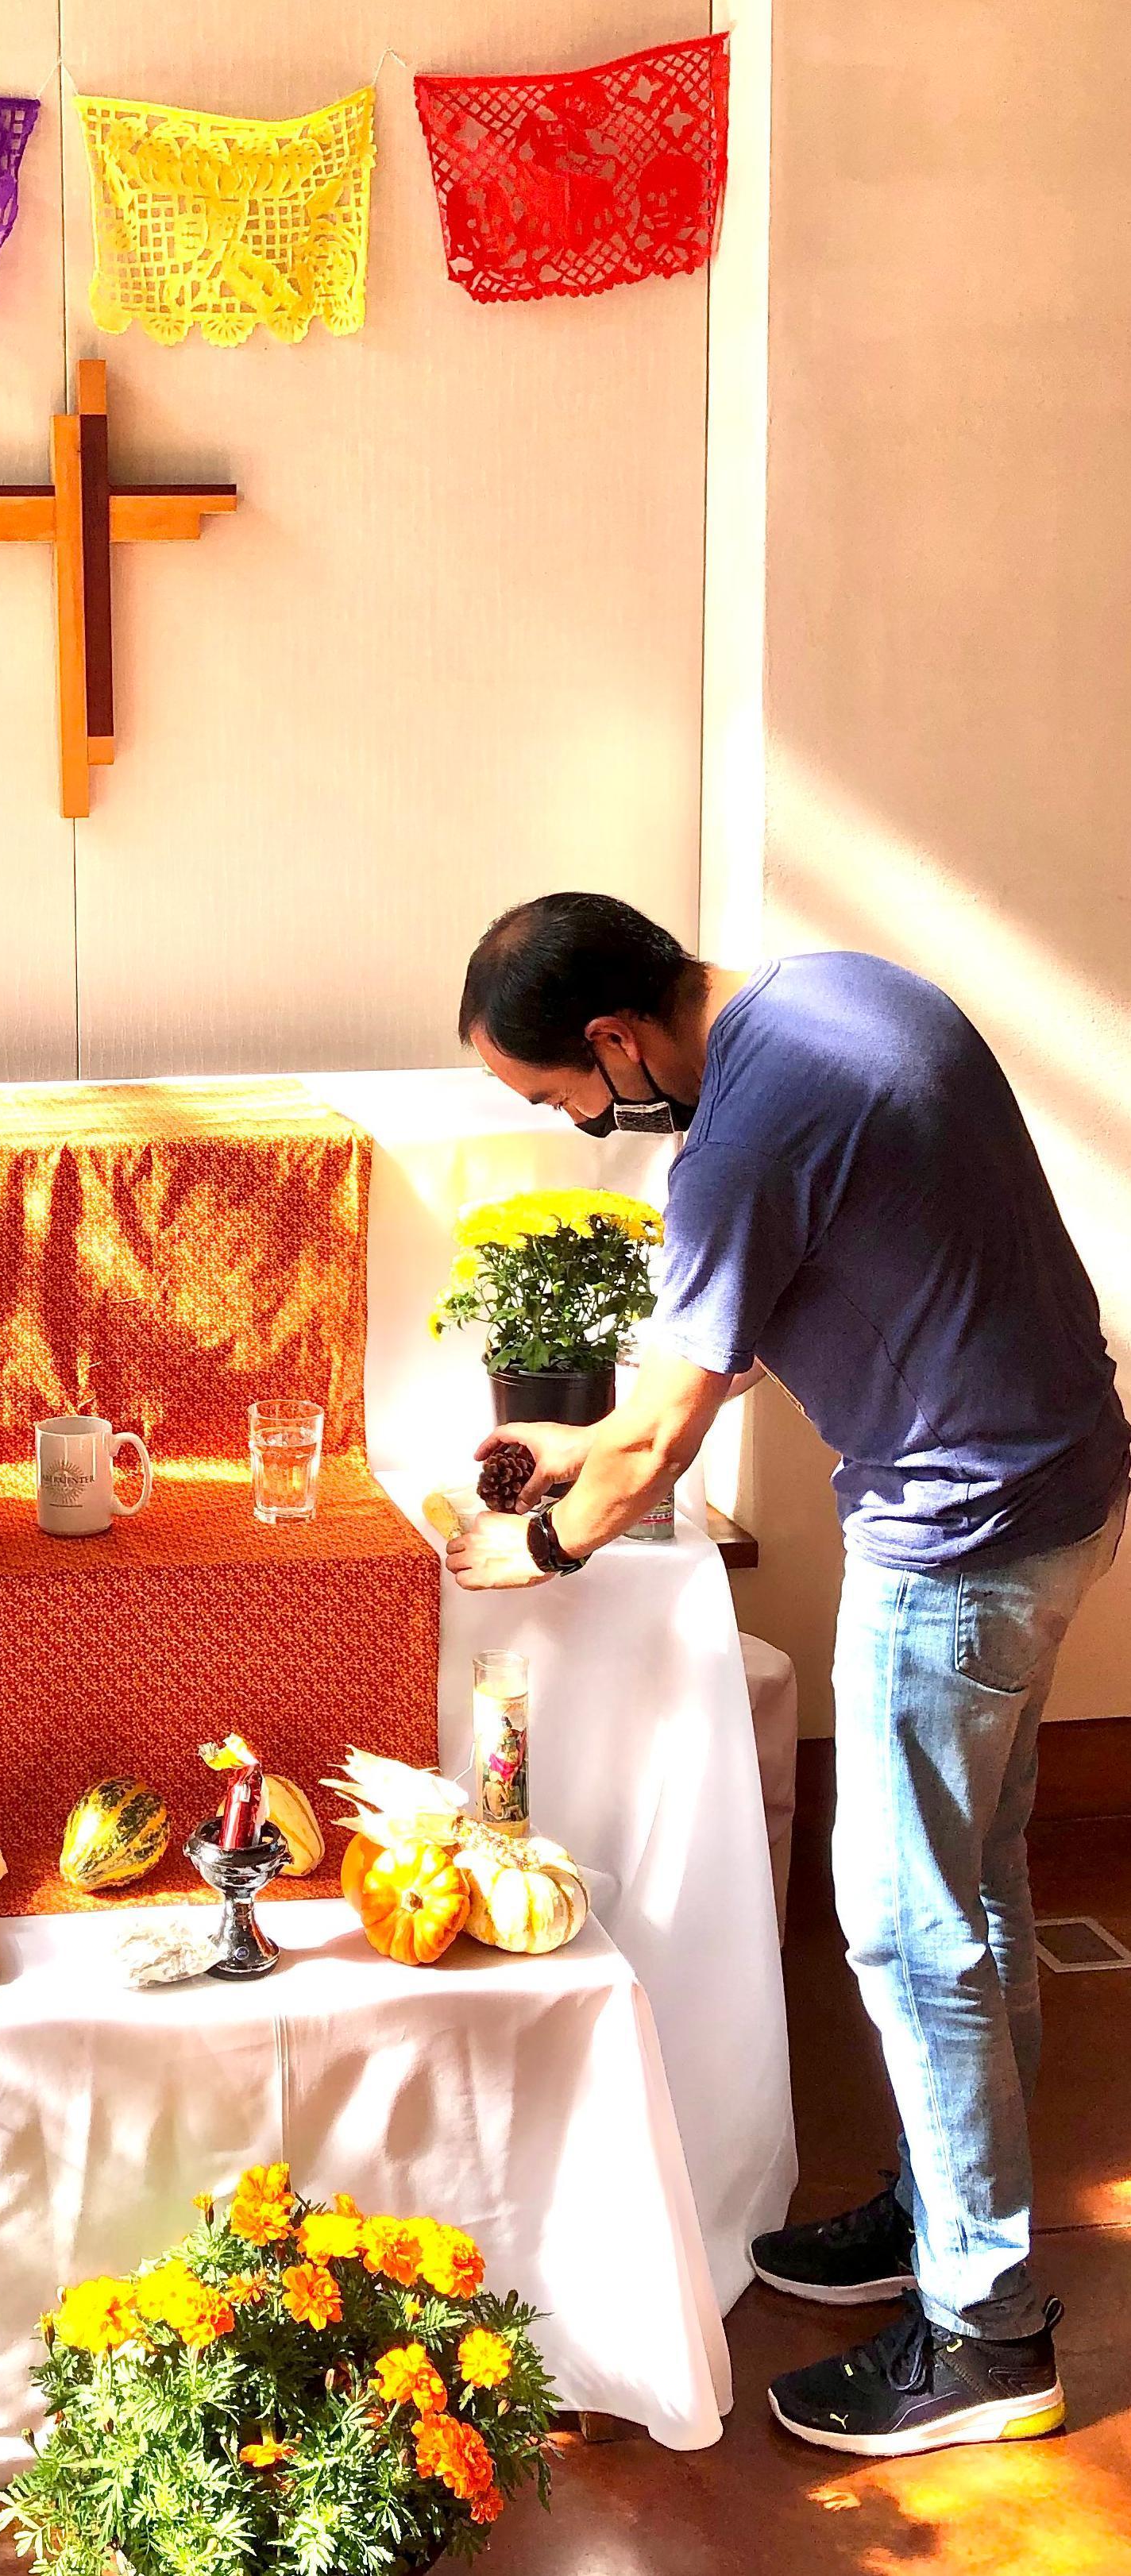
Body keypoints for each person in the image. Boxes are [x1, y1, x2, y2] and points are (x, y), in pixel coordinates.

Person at [449, 892, 1126, 2459]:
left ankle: (985, 2331)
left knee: (908, 1928)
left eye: (558, 1095)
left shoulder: (741, 1129)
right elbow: (793, 1294)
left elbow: (669, 1430)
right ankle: (934, 2214)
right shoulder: (843, 993)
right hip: (1060, 1492)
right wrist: (590, 1444)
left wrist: (538, 1549)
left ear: (614, 1039)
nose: (575, 1121)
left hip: (954, 1542)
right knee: (976, 1895)